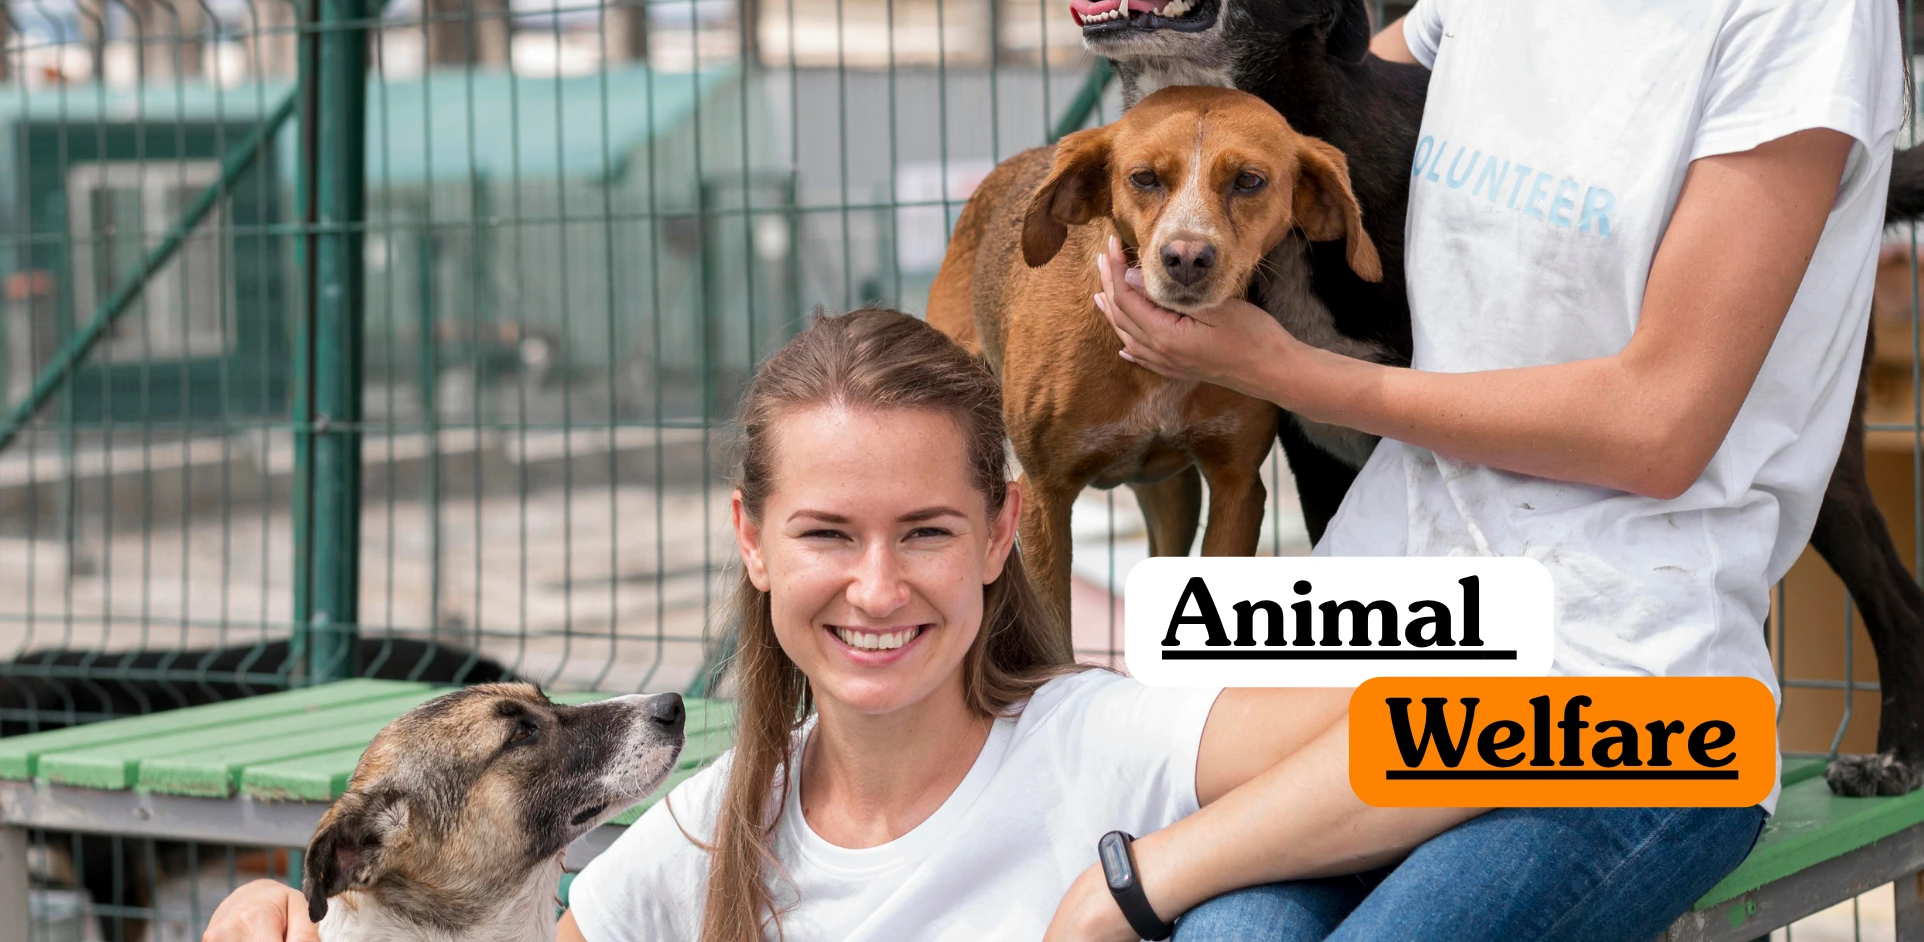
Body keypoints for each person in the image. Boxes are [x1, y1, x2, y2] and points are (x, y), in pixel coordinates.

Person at [1078, 0, 1901, 929]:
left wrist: (1290, 374)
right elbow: (1325, 118)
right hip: (1402, 626)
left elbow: (1657, 425)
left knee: (1147, 896)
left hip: (1642, 696)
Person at [207, 309, 1546, 942]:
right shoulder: (697, 834)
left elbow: (1585, 732)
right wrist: (271, 907)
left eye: (925, 530)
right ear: (751, 538)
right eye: (828, 534)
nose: (877, 587)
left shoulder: (1095, 744)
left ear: (1003, 531)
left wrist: (1152, 878)